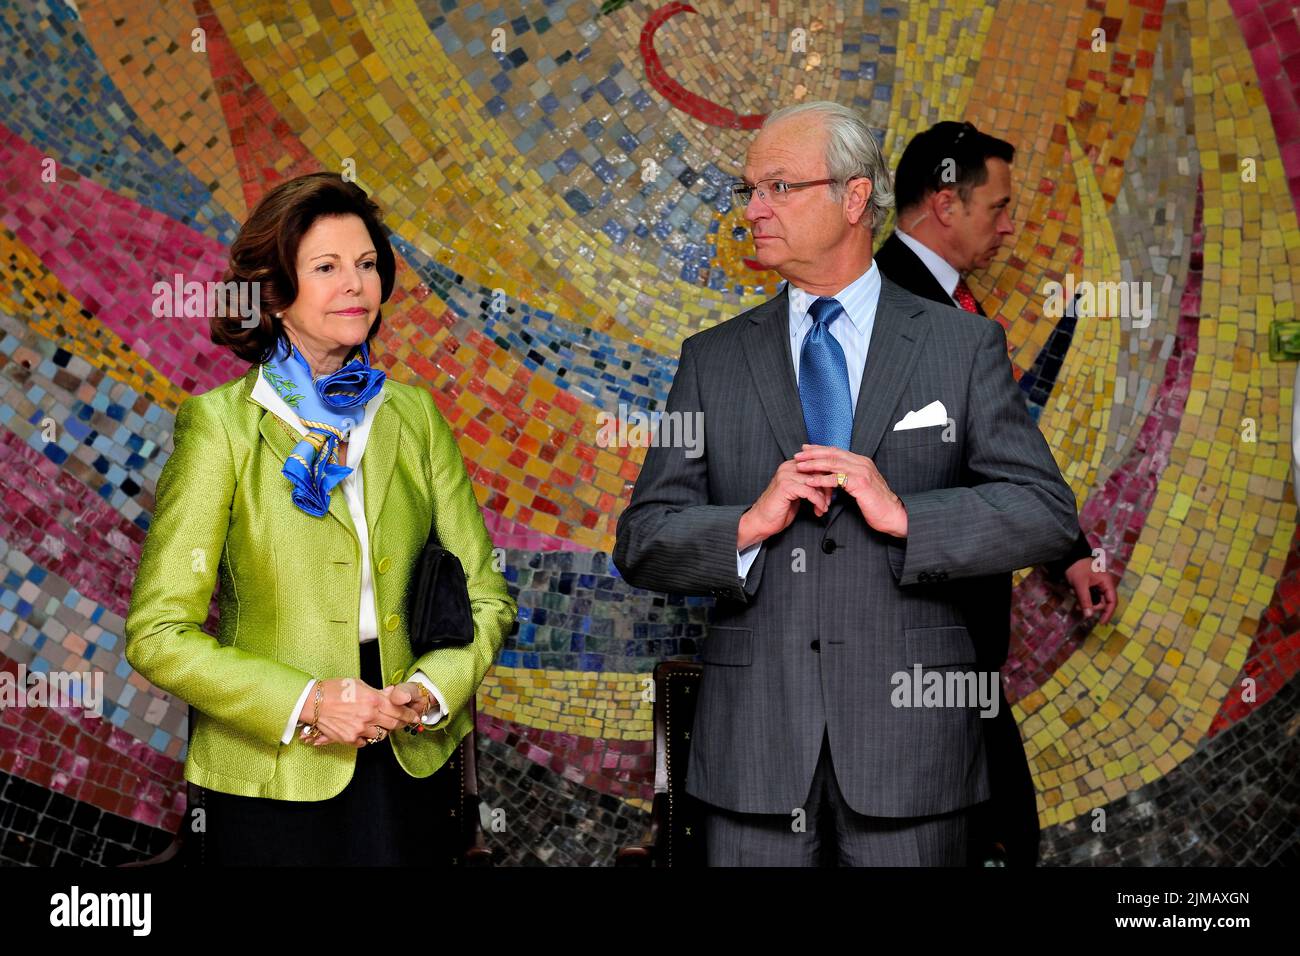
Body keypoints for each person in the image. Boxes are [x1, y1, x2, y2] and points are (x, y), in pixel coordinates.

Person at [613, 101, 1081, 866]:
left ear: (855, 197)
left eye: (778, 187)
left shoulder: (960, 347)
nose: (754, 210)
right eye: (749, 191)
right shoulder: (712, 359)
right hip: (754, 758)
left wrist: (907, 517)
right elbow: (643, 537)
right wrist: (745, 526)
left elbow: (1045, 514)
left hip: (914, 758)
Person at [125, 172, 516, 865]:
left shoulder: (414, 415)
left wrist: (429, 692)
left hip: (408, 754)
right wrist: (309, 701)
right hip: (275, 773)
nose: (356, 286)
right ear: (274, 294)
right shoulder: (221, 426)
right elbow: (158, 635)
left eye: (367, 265)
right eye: (327, 268)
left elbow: (486, 597)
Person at [875, 120, 1120, 864]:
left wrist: (1068, 550)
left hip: (961, 638)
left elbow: (999, 443)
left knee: (997, 829)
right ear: (946, 203)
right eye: (999, 208)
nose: (1011, 228)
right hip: (912, 636)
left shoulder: (961, 311)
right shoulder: (879, 300)